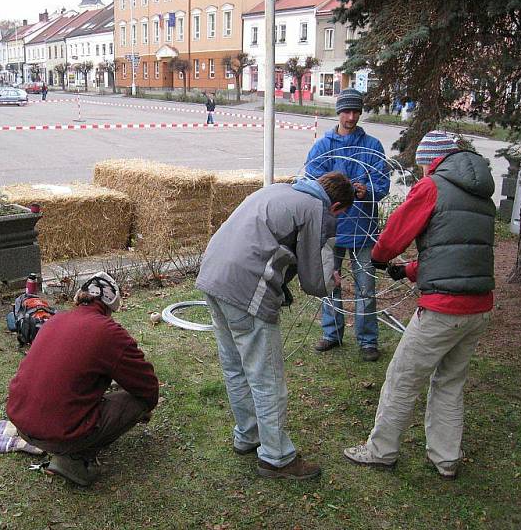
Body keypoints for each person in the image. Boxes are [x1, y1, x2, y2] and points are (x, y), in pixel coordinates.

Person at [343, 131, 495, 480]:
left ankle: (381, 452)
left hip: (443, 310)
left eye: (423, 164)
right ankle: (446, 459)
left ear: (432, 161)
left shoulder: (432, 187)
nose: (423, 170)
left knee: (402, 378)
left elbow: (394, 235)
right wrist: (408, 270)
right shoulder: (482, 193)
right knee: (450, 382)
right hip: (478, 307)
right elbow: (458, 251)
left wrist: (381, 257)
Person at [196, 172, 355, 480]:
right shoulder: (316, 209)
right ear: (335, 205)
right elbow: (314, 280)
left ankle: (248, 435)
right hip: (244, 286)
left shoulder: (280, 190)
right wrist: (331, 281)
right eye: (340, 214)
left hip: (212, 276)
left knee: (236, 366)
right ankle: (277, 457)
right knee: (265, 375)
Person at [6, 272, 159, 486]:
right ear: (111, 307)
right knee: (137, 402)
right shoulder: (109, 332)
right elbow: (148, 387)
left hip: (21, 422)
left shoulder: (54, 320)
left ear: (80, 297)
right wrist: (144, 407)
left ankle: (64, 443)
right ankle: (74, 458)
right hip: (57, 434)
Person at [303, 88, 390, 361]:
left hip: (363, 229)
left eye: (355, 112)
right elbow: (312, 181)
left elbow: (383, 184)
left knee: (366, 287)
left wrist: (367, 191)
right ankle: (332, 333)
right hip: (332, 229)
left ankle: (367, 341)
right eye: (346, 111)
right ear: (338, 112)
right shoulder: (323, 146)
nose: (351, 117)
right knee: (330, 282)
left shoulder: (372, 146)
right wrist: (336, 192)